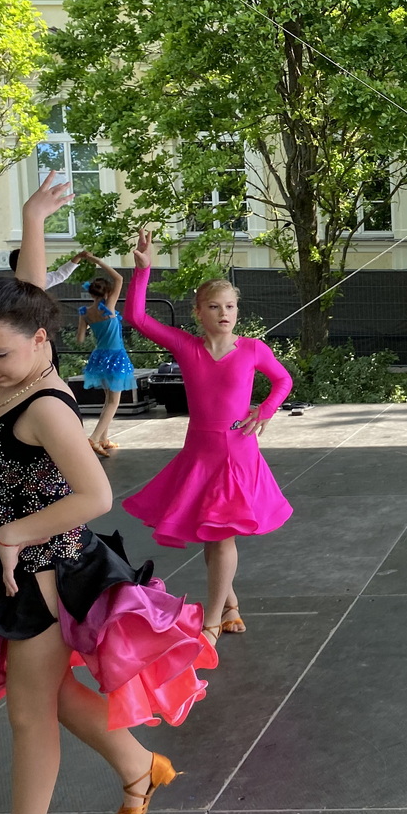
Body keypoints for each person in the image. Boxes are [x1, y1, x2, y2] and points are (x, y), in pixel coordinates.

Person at [0, 277, 212, 814]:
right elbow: (28, 286)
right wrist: (34, 226)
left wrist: (12, 533)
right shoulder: (17, 366)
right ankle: (140, 766)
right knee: (50, 696)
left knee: (30, 717)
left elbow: (96, 494)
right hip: (19, 567)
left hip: (41, 575)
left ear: (40, 340)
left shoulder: (46, 406)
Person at [122, 229, 294, 645]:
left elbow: (283, 380)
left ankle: (212, 622)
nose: (224, 313)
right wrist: (142, 271)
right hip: (200, 452)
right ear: (198, 312)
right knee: (210, 533)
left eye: (230, 306)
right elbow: (137, 319)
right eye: (215, 306)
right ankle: (229, 606)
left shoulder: (252, 349)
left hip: (238, 453)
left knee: (220, 536)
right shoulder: (187, 347)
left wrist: (264, 411)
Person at [76, 252, 136, 457]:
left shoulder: (85, 313)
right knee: (113, 401)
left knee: (107, 399)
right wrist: (96, 261)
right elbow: (119, 278)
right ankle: (93, 438)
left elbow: (80, 339)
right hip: (115, 356)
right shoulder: (108, 307)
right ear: (108, 293)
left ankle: (103, 439)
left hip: (98, 357)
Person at [8, 247, 84, 291]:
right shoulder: (36, 281)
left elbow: (59, 275)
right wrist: (78, 257)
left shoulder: (38, 280)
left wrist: (78, 257)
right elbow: (60, 275)